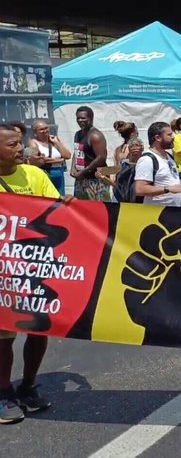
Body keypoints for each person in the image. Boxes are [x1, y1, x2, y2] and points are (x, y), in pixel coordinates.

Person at [0, 123, 65, 424]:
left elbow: (54, 210)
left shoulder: (35, 175)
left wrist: (66, 207)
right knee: (3, 337)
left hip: (36, 265)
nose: (20, 149)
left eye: (19, 143)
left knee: (39, 329)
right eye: (12, 144)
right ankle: (3, 394)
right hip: (5, 271)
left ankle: (28, 385)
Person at [134, 122, 181, 207]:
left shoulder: (169, 156)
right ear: (158, 138)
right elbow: (140, 189)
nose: (174, 137)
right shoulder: (147, 160)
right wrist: (168, 189)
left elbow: (167, 180)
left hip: (172, 212)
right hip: (156, 214)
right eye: (169, 135)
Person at [71, 106, 110, 201]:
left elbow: (101, 158)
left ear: (91, 118)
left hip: (96, 180)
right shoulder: (78, 134)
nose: (80, 120)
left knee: (98, 210)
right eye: (78, 118)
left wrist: (85, 171)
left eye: (83, 118)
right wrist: (73, 168)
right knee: (81, 209)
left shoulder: (95, 136)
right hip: (81, 180)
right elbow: (77, 151)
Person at [28, 120, 70, 193]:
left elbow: (67, 155)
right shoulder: (33, 142)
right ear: (35, 132)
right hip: (44, 172)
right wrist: (59, 160)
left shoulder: (54, 140)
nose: (45, 131)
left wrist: (56, 142)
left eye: (46, 128)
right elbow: (40, 159)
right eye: (41, 129)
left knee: (60, 194)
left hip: (58, 172)